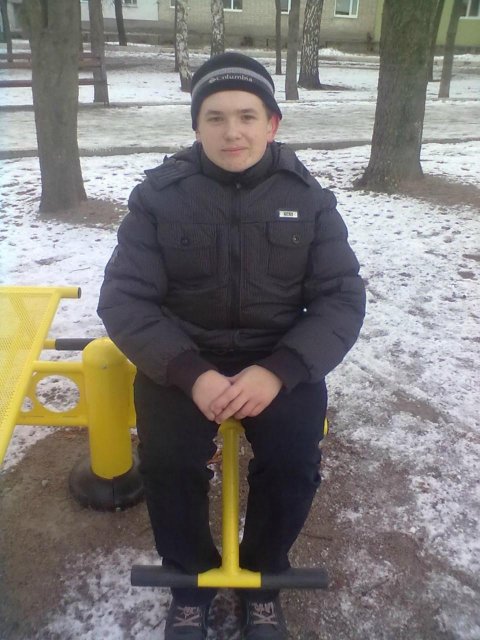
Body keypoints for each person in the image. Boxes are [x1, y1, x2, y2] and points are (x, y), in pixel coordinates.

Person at [98, 52, 366, 640]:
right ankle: (189, 582)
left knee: (293, 463)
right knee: (168, 463)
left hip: (278, 358)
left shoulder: (309, 198)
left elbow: (341, 298)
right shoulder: (158, 198)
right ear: (196, 126)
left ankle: (264, 578)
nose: (232, 132)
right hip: (180, 359)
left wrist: (280, 370)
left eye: (247, 116)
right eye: (215, 117)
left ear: (272, 124)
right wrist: (190, 372)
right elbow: (125, 299)